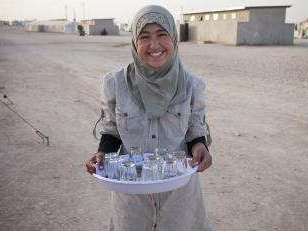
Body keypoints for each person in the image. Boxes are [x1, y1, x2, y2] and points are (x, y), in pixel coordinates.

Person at [86, 5, 213, 231]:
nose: (154, 45)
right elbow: (111, 129)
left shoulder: (192, 85)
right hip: (132, 201)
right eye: (145, 37)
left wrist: (200, 146)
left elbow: (195, 127)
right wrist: (102, 154)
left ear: (173, 38)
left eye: (162, 35)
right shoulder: (115, 84)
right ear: (135, 43)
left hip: (180, 199)